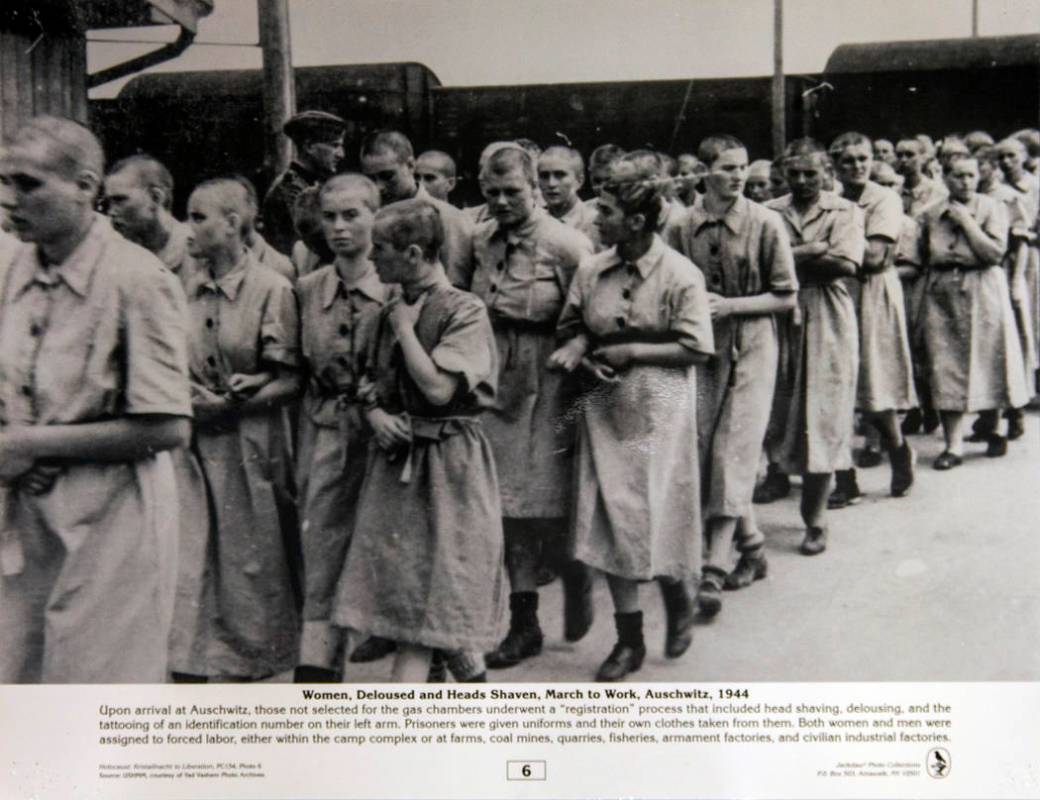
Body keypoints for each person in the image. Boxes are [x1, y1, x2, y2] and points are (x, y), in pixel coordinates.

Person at [0, 116, 192, 683]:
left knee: (92, 704)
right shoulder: (11, 270)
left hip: (112, 529)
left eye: (29, 185)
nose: (10, 200)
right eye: (3, 182)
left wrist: (29, 443)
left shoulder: (138, 279)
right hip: (25, 522)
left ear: (86, 187)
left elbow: (166, 426)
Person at [549, 154, 714, 681]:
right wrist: (579, 349)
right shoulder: (592, 268)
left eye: (607, 213)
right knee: (613, 518)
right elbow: (573, 323)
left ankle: (678, 592)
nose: (597, 222)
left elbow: (696, 348)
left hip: (659, 407)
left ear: (638, 222)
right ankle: (630, 640)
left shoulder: (680, 275)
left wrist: (634, 352)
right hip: (605, 406)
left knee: (654, 510)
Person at [331, 198, 506, 682]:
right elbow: (365, 379)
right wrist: (374, 414)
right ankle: (463, 682)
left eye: (381, 249)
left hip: (449, 466)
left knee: (441, 589)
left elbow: (438, 388)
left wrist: (406, 331)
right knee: (409, 594)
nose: (371, 259)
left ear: (412, 254)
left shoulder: (463, 310)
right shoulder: (389, 306)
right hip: (396, 466)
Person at [459, 145, 594, 670]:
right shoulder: (480, 239)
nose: (501, 202)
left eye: (512, 191)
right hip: (496, 378)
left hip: (550, 381)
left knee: (547, 504)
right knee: (507, 509)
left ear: (535, 187)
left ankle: (575, 572)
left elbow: (593, 313)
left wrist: (577, 346)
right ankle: (525, 624)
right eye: (491, 193)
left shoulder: (567, 244)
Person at [168, 178, 301, 682]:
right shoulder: (181, 287)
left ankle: (252, 663)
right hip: (194, 441)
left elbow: (290, 380)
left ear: (232, 223)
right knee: (194, 551)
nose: (190, 228)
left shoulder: (273, 289)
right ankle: (192, 661)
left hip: (251, 443)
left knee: (252, 557)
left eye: (200, 217)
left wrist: (230, 404)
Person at [670, 135, 797, 615]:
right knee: (707, 449)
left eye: (742, 167)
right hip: (704, 350)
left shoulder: (765, 223)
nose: (738, 176)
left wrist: (732, 306)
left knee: (735, 449)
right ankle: (754, 547)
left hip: (756, 344)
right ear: (704, 172)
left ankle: (713, 569)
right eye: (726, 168)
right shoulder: (682, 226)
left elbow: (786, 295)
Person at [293, 175, 392, 683]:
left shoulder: (401, 286)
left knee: (399, 550)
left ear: (377, 215)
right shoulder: (308, 289)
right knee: (325, 550)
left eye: (351, 215)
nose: (338, 227)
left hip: (390, 441)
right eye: (329, 217)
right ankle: (319, 671)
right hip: (329, 434)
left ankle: (445, 666)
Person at [766, 139, 864, 556]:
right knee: (780, 408)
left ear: (826, 173)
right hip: (780, 313)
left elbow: (845, 264)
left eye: (812, 173)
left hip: (827, 311)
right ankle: (776, 479)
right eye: (795, 173)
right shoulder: (769, 212)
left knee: (823, 413)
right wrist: (810, 249)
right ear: (784, 174)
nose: (803, 181)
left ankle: (816, 518)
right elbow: (760, 264)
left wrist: (788, 256)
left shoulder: (846, 211)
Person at [918, 155, 1029, 468]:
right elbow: (924, 254)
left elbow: (994, 253)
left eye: (969, 175)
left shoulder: (993, 208)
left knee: (988, 356)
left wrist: (966, 221)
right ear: (945, 179)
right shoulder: (931, 214)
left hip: (983, 285)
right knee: (945, 362)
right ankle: (953, 445)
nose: (964, 182)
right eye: (956, 176)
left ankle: (992, 428)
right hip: (943, 288)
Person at [829, 133, 917, 507]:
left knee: (873, 383)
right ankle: (844, 476)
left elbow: (876, 257)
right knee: (833, 386)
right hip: (835, 291)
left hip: (873, 295)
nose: (857, 167)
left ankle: (898, 451)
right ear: (835, 165)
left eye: (863, 159)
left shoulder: (885, 199)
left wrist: (826, 247)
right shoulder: (828, 198)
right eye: (848, 161)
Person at [360, 130, 473, 284]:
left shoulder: (448, 218)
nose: (379, 186)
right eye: (370, 178)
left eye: (387, 176)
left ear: (411, 165)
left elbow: (456, 285)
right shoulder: (366, 217)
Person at [262, 110, 346, 255]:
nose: (341, 154)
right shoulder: (290, 189)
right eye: (334, 146)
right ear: (309, 147)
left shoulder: (310, 184)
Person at [103, 154, 195, 286]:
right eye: (109, 203)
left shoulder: (198, 253)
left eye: (120, 200)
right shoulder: (117, 254)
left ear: (156, 198)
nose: (111, 212)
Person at [538, 145, 600, 247]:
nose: (551, 183)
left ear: (579, 181)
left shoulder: (594, 223)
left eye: (559, 175)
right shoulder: (534, 221)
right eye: (544, 176)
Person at [895, 138, 947, 217]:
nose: (903, 160)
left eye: (909, 155)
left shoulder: (937, 191)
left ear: (923, 158)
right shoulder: (894, 192)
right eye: (899, 155)